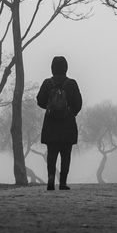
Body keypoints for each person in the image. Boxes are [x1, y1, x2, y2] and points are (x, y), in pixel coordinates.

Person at [35, 55, 82, 190]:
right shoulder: (72, 84)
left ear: (52, 68)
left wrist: (50, 107)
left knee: (52, 153)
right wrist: (71, 112)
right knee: (66, 155)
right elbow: (78, 103)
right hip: (68, 125)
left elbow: (40, 101)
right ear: (66, 68)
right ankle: (62, 182)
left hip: (51, 125)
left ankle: (50, 179)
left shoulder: (47, 83)